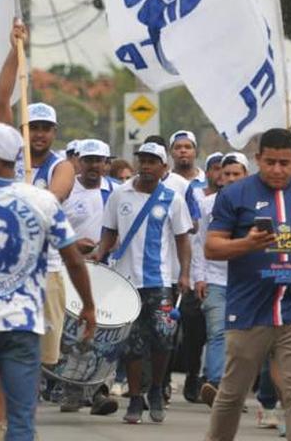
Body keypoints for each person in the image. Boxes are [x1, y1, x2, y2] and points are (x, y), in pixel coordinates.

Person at [0, 122, 96, 441]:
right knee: (22, 416)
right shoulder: (42, 202)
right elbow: (73, 259)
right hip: (22, 322)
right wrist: (89, 306)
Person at [203, 128, 291, 441]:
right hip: (249, 312)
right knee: (233, 394)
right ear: (257, 160)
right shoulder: (234, 195)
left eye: (284, 163)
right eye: (270, 162)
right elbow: (212, 248)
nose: (277, 170)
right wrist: (248, 244)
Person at [95, 141, 193, 424]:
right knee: (132, 344)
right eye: (143, 160)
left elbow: (182, 240)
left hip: (159, 281)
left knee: (163, 339)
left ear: (164, 168)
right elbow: (108, 233)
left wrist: (184, 273)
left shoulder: (172, 199)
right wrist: (100, 253)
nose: (146, 166)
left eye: (153, 162)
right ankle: (135, 398)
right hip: (126, 283)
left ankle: (156, 390)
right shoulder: (119, 195)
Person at [57, 138, 118, 415]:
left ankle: (98, 392)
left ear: (107, 163)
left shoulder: (116, 192)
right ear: (78, 162)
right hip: (72, 270)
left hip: (107, 272)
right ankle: (72, 391)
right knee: (76, 336)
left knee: (104, 336)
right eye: (88, 159)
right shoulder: (67, 192)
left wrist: (104, 247)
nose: (94, 165)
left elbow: (122, 232)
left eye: (99, 160)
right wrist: (74, 245)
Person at [23, 102, 76, 378]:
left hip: (48, 268)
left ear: (54, 132)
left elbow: (53, 199)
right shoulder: (12, 162)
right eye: (33, 128)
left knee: (42, 353)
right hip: (12, 267)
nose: (39, 134)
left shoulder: (62, 166)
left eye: (45, 129)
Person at [193, 151, 240, 406]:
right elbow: (200, 243)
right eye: (227, 173)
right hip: (215, 279)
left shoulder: (256, 205)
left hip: (245, 284)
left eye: (236, 174)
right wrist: (199, 277)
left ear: (245, 176)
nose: (231, 178)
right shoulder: (208, 205)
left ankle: (236, 390)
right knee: (218, 333)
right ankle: (216, 385)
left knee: (241, 338)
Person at [169, 129, 209, 404]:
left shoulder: (207, 182)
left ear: (195, 151)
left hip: (199, 266)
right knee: (167, 328)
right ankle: (161, 382)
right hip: (169, 265)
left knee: (196, 330)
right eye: (178, 147)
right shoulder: (166, 182)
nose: (183, 151)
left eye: (188, 147)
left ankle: (193, 377)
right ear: (172, 152)